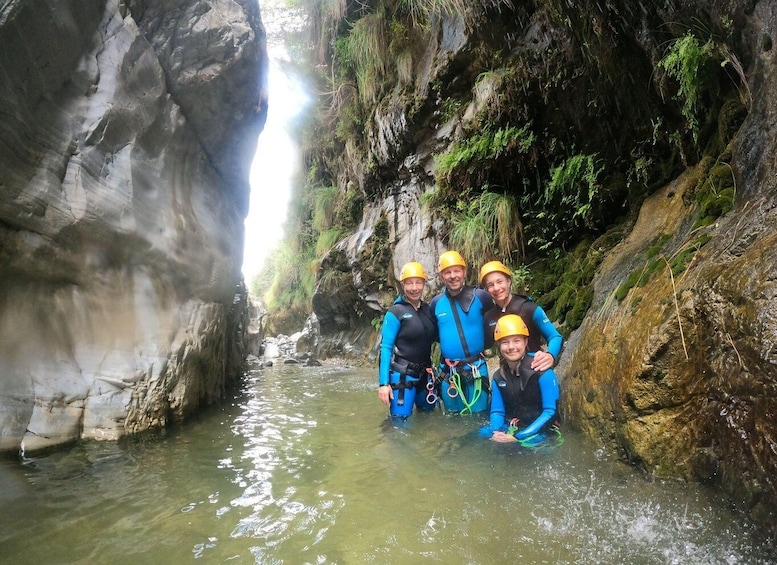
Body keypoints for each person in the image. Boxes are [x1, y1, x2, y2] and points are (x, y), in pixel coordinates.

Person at [430, 251, 494, 414]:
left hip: (476, 368)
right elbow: (434, 334)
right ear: (441, 276)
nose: (453, 276)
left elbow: (495, 323)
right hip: (448, 371)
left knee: (479, 418)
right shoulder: (436, 303)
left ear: (464, 272)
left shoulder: (481, 297)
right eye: (447, 272)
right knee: (452, 420)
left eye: (457, 270)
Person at [481, 314, 560, 443]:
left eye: (516, 341)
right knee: (476, 437)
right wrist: (496, 432)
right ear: (499, 346)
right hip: (514, 426)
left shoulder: (542, 370)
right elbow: (497, 412)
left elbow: (550, 413)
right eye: (505, 342)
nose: (511, 347)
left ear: (526, 342)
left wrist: (517, 437)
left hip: (543, 431)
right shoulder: (498, 376)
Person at [378, 261, 438, 419]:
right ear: (402, 284)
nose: (414, 288)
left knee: (428, 418)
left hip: (426, 375)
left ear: (424, 283)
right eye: (409, 283)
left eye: (418, 282)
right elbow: (385, 348)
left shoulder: (427, 310)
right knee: (399, 424)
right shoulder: (395, 312)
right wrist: (384, 384)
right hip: (403, 376)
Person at [480, 260, 562, 373]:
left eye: (500, 282)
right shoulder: (489, 317)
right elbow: (482, 346)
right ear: (486, 290)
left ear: (508, 282)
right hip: (509, 376)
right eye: (490, 285)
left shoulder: (529, 308)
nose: (496, 288)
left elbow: (555, 336)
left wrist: (550, 355)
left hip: (535, 369)